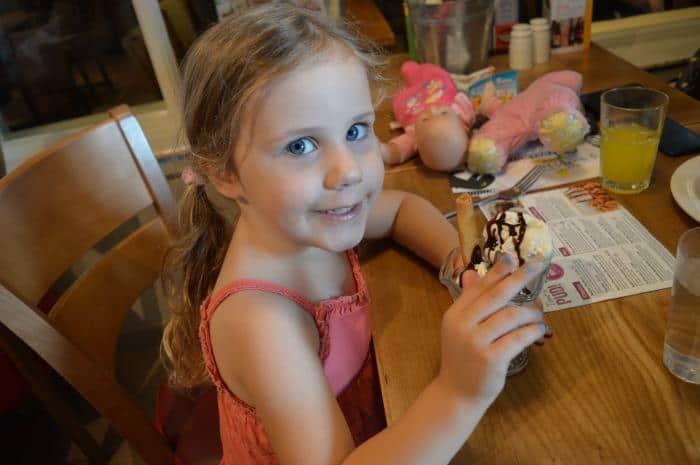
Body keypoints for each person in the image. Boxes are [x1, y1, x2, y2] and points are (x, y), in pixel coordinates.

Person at [161, 3, 551, 465]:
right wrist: (459, 391)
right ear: (224, 172)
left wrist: (461, 268)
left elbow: (404, 207)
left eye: (355, 129)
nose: (347, 170)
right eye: (300, 145)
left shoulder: (309, 224)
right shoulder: (260, 323)